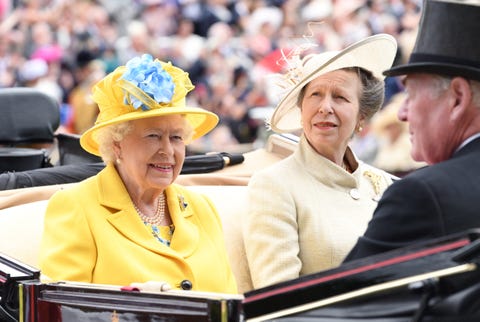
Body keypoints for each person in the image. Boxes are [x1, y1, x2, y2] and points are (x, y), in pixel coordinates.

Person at [38, 54, 238, 294]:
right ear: (116, 144)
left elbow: (231, 302)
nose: (167, 150)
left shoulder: (202, 208)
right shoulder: (75, 206)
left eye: (176, 137)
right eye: (153, 136)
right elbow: (61, 310)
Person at [243, 34, 398, 289]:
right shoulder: (273, 185)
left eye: (340, 97)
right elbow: (278, 299)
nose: (325, 107)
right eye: (315, 94)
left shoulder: (381, 183)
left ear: (362, 116)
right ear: (302, 109)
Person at [344, 0, 480, 261]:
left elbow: (337, 297)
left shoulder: (422, 195)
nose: (402, 113)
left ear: (458, 98)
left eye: (411, 94)